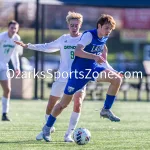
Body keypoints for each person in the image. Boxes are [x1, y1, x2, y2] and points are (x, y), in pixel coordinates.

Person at [15, 12, 117, 142]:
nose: (74, 28)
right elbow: (47, 47)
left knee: (78, 104)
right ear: (68, 26)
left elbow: (102, 52)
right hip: (63, 77)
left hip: (79, 75)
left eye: (77, 25)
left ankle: (69, 134)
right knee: (53, 104)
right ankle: (47, 128)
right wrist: (29, 46)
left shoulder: (86, 38)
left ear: (80, 25)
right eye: (72, 25)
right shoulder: (64, 39)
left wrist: (110, 69)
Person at [41, 14, 122, 142]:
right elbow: (78, 51)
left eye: (110, 30)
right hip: (78, 73)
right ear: (99, 26)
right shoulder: (89, 35)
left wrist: (113, 71)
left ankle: (105, 110)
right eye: (106, 28)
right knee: (63, 104)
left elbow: (103, 60)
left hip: (93, 69)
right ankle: (47, 127)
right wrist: (94, 56)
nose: (108, 32)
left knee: (116, 79)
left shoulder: (104, 38)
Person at [0, 20, 21, 121]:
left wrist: (17, 67)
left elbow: (14, 54)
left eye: (15, 28)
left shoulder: (16, 38)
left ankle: (4, 114)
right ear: (8, 28)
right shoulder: (2, 37)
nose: (13, 30)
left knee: (7, 90)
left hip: (4, 67)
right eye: (11, 28)